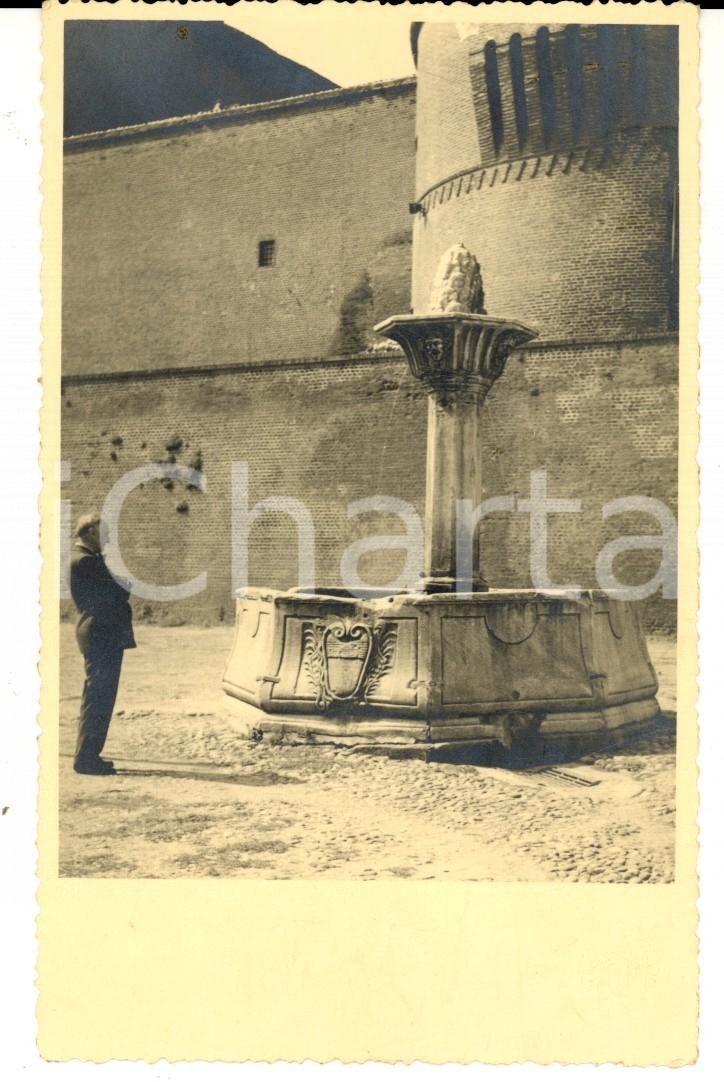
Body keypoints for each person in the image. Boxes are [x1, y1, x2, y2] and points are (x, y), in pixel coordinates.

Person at [69, 513, 136, 775]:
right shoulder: (86, 561)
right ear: (90, 532)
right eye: (103, 533)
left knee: (98, 696)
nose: (107, 538)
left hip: (100, 634)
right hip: (101, 636)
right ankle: (86, 759)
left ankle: (89, 756)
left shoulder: (85, 559)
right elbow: (121, 590)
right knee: (99, 698)